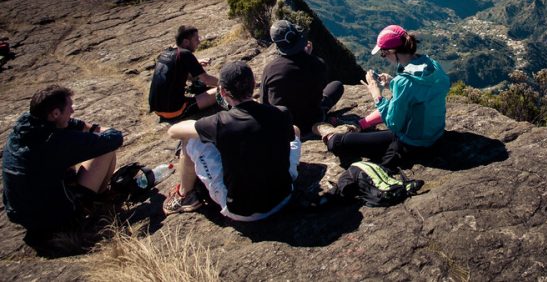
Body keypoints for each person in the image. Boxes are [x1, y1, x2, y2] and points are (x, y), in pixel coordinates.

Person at [163, 61, 301, 221]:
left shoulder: (219, 123)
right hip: (283, 196)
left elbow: (173, 132)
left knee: (191, 141)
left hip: (243, 211)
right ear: (253, 84)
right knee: (294, 130)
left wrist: (197, 125)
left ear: (221, 91)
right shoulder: (280, 112)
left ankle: (184, 195)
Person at [313, 24, 450, 170]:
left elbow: (393, 124)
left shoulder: (404, 82)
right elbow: (421, 93)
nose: (384, 57)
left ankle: (332, 131)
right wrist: (392, 84)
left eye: (383, 54)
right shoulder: (432, 65)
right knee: (394, 103)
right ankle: (359, 125)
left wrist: (376, 94)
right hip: (434, 133)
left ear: (392, 51)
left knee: (337, 143)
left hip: (412, 141)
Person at [2, 85, 123, 232]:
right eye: (70, 107)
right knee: (106, 151)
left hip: (21, 215)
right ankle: (96, 200)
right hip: (55, 219)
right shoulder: (55, 142)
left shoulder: (23, 129)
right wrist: (98, 130)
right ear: (55, 114)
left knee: (67, 160)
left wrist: (86, 127)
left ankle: (80, 195)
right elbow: (114, 139)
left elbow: (67, 124)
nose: (73, 111)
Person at [261, 19, 344, 134]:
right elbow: (319, 89)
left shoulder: (270, 69)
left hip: (285, 125)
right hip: (313, 120)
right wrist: (307, 56)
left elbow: (264, 102)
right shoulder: (317, 63)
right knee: (337, 85)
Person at [149, 25, 219, 121]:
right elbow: (206, 79)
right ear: (186, 42)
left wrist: (196, 63)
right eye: (196, 39)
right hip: (173, 110)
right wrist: (228, 83)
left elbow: (175, 65)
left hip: (158, 109)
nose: (199, 41)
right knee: (221, 91)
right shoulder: (186, 54)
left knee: (192, 76)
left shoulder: (167, 52)